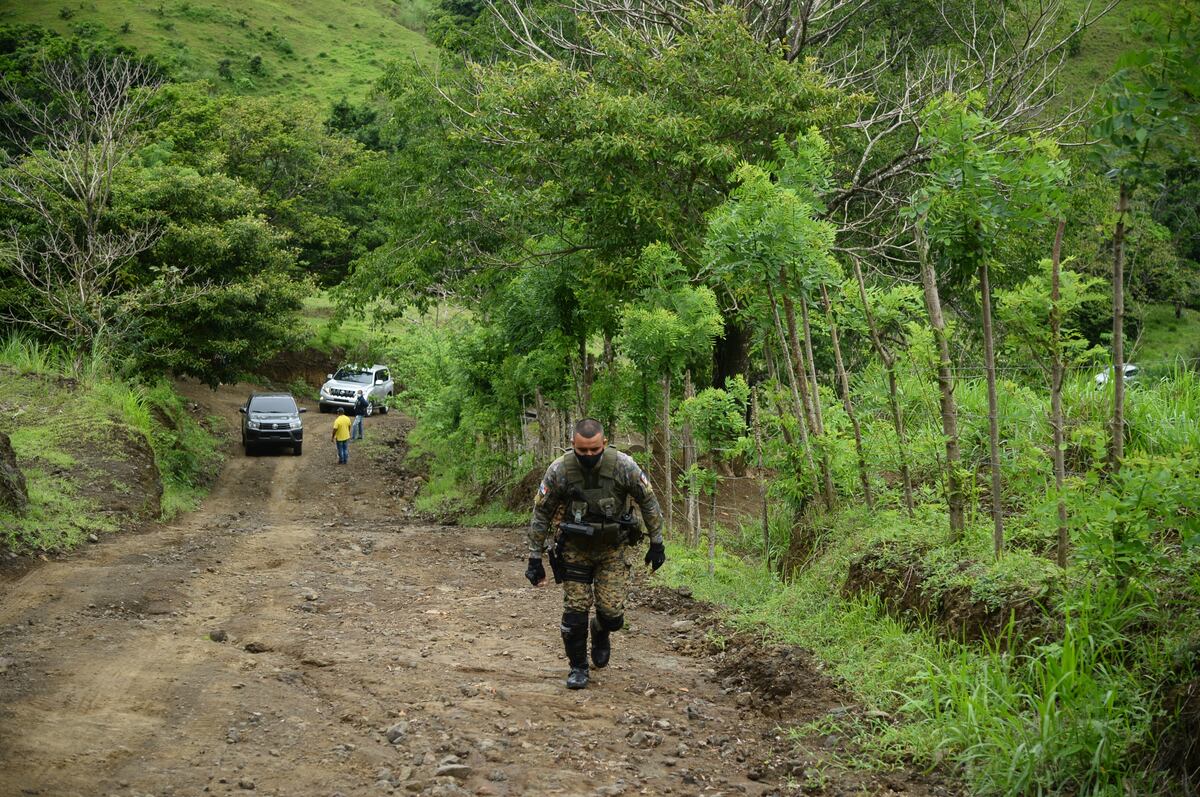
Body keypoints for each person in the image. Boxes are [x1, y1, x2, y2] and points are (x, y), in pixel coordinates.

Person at [524, 418, 666, 689]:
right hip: (575, 550)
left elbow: (648, 502)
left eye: (594, 450)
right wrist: (535, 557)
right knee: (575, 610)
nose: (588, 455)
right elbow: (541, 513)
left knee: (612, 614)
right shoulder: (560, 470)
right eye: (582, 451)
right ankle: (578, 667)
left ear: (604, 443)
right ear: (572, 445)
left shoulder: (624, 466)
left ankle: (600, 630)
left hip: (613, 549)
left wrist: (656, 543)